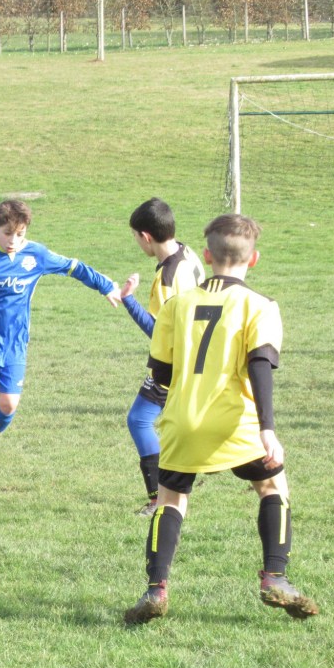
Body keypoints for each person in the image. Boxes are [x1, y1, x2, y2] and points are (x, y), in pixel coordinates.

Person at [124, 213, 317, 624]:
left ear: (207, 256)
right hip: (237, 424)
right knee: (271, 486)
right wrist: (268, 429)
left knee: (171, 500)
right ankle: (275, 578)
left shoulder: (177, 305)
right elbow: (260, 366)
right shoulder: (259, 306)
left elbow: (161, 372)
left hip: (183, 421)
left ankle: (156, 589)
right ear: (254, 259)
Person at [0, 199, 121, 469]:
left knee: (8, 404)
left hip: (15, 343)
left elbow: (74, 267)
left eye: (20, 234)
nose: (13, 241)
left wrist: (106, 286)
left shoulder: (35, 255)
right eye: (7, 233)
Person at [119, 198, 205, 517]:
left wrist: (128, 300)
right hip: (198, 355)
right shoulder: (188, 253)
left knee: (140, 420)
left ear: (146, 236)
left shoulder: (166, 278)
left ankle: (159, 499)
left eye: (135, 237)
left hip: (175, 362)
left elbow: (158, 332)